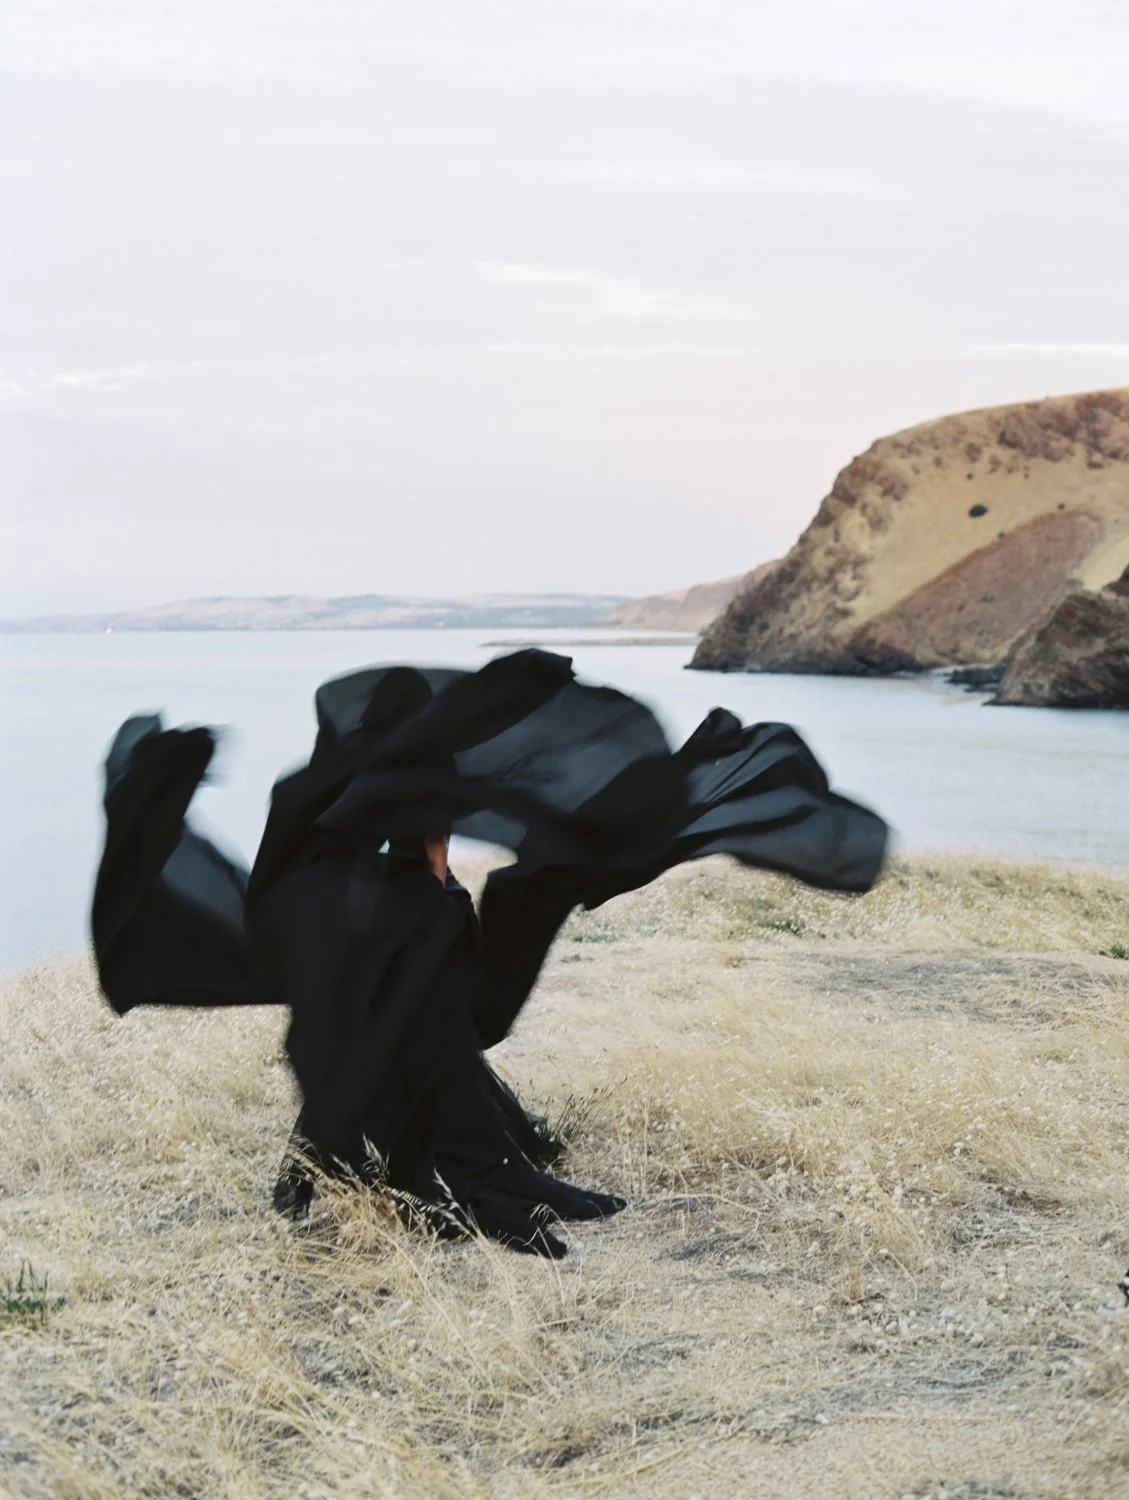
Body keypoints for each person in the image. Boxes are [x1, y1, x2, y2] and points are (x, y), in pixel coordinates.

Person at [93, 649, 887, 1257]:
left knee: (440, 968)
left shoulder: (373, 779)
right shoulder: (335, 787)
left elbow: (425, 849)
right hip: (330, 935)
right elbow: (339, 866)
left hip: (359, 930)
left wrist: (442, 891)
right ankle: (470, 1176)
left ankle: (475, 1167)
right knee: (419, 981)